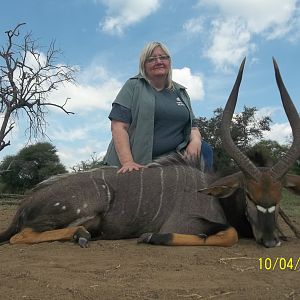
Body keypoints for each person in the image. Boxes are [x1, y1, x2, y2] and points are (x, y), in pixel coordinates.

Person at [103, 41, 213, 173]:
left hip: (172, 158)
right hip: (138, 159)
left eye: (163, 57)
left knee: (205, 149)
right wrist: (128, 162)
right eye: (152, 59)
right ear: (144, 64)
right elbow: (118, 127)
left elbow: (193, 126)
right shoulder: (133, 86)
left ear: (169, 62)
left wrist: (195, 140)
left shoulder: (180, 91)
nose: (158, 61)